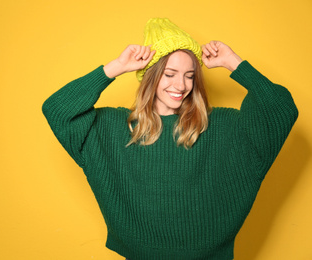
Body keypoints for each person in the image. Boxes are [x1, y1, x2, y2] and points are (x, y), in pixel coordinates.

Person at [42, 18, 298, 260]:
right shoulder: (113, 128)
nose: (181, 85)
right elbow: (57, 109)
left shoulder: (221, 125)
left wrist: (234, 63)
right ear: (151, 76)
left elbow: (281, 110)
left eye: (189, 76)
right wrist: (116, 67)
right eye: (170, 73)